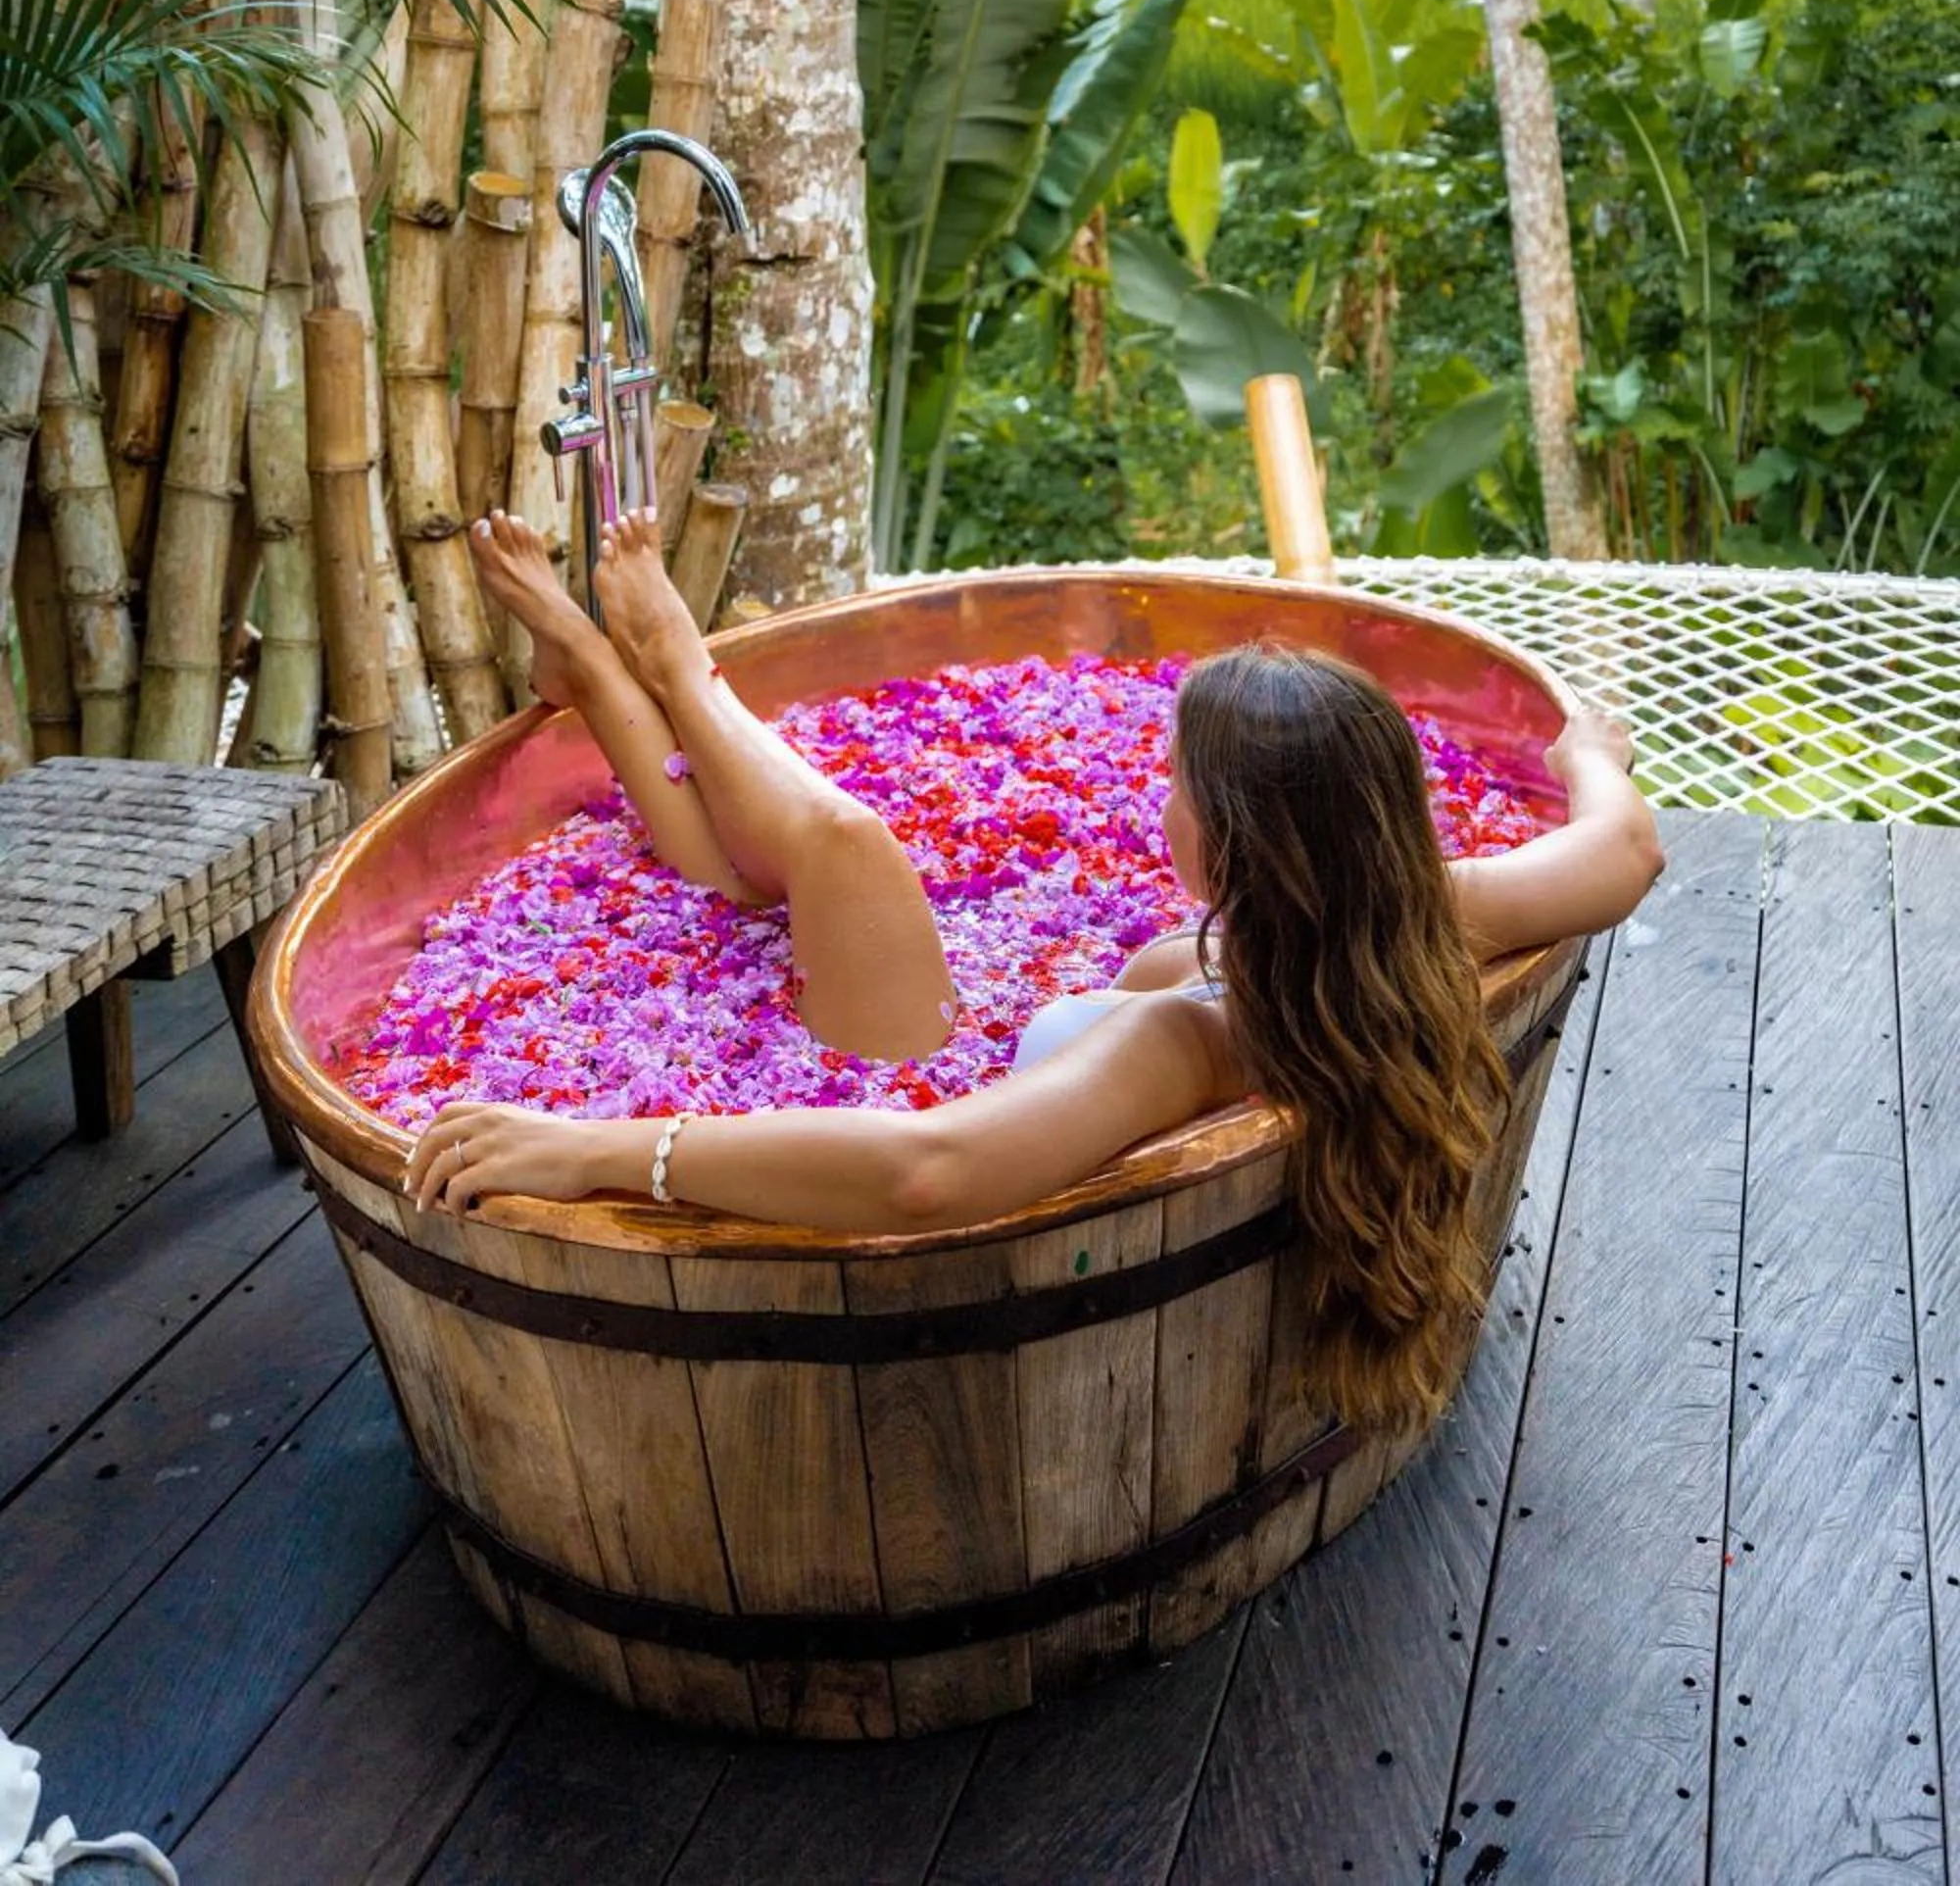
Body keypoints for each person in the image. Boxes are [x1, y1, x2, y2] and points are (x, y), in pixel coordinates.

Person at [406, 508, 1662, 1431]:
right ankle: (605, 680)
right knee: (786, 882)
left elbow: (925, 1169)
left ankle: (669, 670)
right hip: (994, 1042)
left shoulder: (1183, 1042)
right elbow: (1622, 851)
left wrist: (607, 1149)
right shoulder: (1413, 918)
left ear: (1225, 841)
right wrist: (1586, 761)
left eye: (1172, 783)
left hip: (914, 1084)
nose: (1156, 799)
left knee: (840, 846)